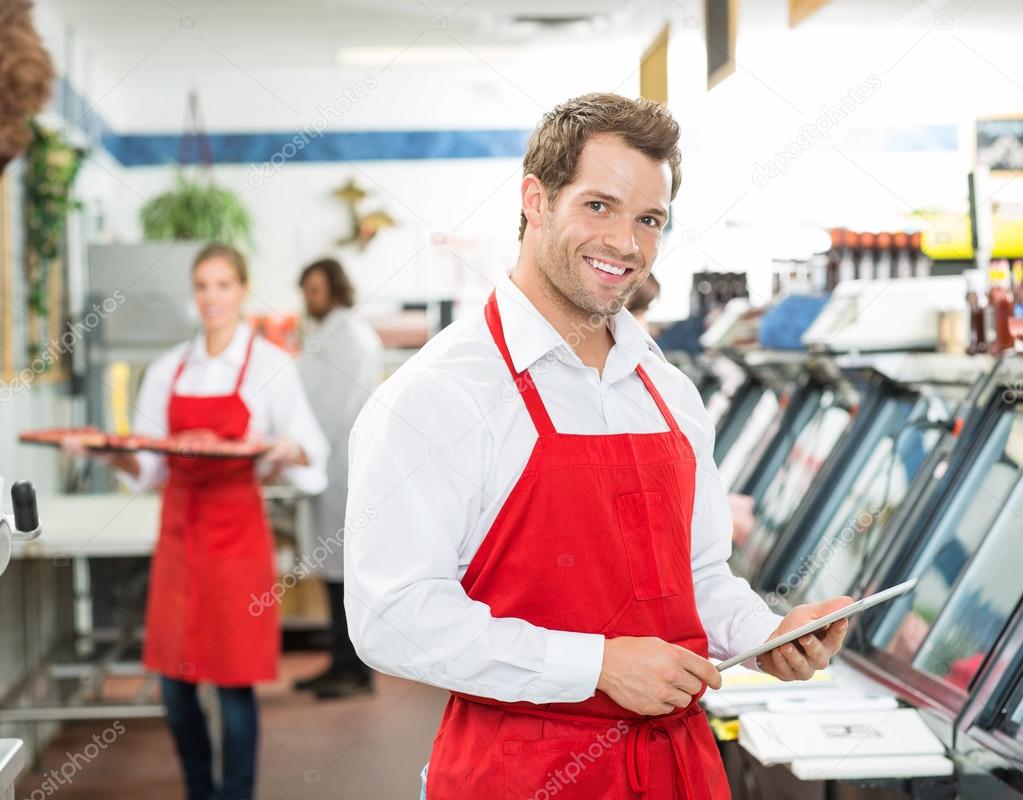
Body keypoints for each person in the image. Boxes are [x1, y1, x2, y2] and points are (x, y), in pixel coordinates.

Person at [344, 94, 851, 799]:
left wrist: (764, 637)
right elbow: (391, 619)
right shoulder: (440, 394)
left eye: (649, 220)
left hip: (677, 769)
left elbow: (698, 577)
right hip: (521, 774)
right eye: (598, 206)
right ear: (535, 200)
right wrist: (595, 665)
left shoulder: (667, 391)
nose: (626, 243)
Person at [69, 243, 328, 800]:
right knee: (175, 686)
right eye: (203, 286)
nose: (212, 297)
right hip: (180, 538)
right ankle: (198, 791)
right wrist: (111, 453)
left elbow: (313, 451)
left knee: (234, 687)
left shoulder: (268, 365)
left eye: (223, 285)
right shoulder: (168, 368)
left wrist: (283, 450)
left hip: (236, 539)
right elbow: (149, 467)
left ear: (242, 290)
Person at [294, 257, 382, 698]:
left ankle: (353, 670)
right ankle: (340, 664)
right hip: (330, 465)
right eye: (305, 290)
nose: (309, 298)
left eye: (315, 288)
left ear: (335, 288)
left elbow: (328, 406)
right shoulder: (332, 330)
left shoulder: (343, 333)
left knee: (344, 570)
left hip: (338, 464)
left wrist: (299, 447)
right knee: (335, 569)